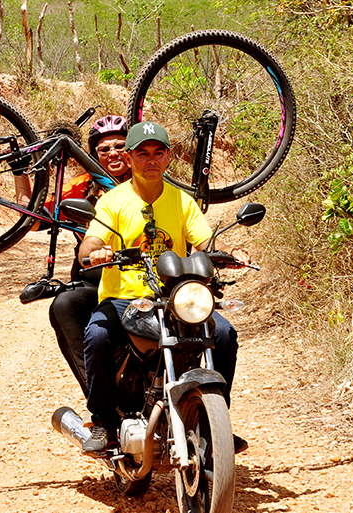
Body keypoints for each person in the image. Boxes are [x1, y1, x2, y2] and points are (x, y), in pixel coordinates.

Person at [78, 121, 250, 456]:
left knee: (225, 335)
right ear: (129, 158)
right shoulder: (113, 201)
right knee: (96, 336)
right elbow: (90, 244)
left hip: (174, 299)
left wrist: (230, 253)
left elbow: (204, 241)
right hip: (123, 300)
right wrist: (94, 253)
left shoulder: (183, 201)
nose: (151, 160)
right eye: (142, 154)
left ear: (169, 157)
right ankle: (102, 422)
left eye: (158, 152)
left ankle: (216, 422)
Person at [48, 115, 131, 397]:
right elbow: (34, 218)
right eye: (104, 150)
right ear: (93, 155)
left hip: (145, 275)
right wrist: (21, 174)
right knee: (63, 305)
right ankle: (100, 403)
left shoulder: (148, 180)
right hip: (95, 279)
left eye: (120, 146)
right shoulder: (81, 186)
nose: (113, 153)